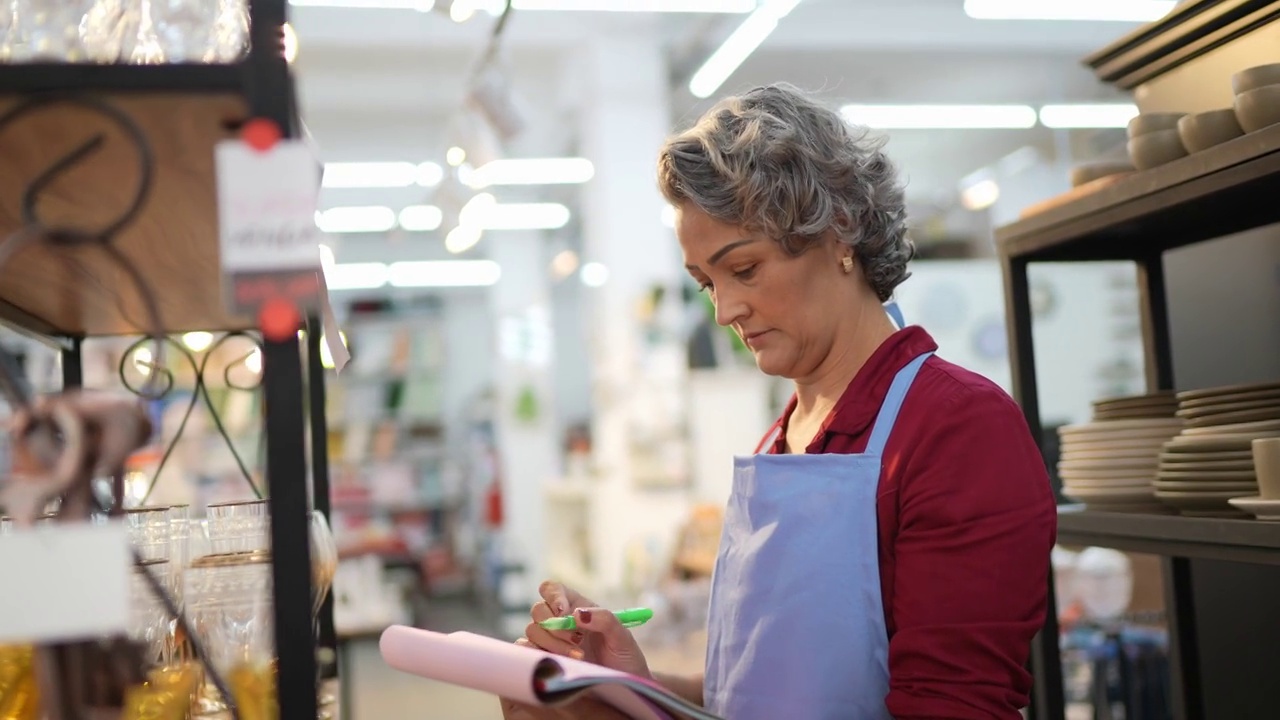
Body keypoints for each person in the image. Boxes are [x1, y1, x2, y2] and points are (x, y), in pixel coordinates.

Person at [502, 83, 1057, 720]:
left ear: (840, 230)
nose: (724, 310)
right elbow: (757, 694)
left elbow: (954, 705)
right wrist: (626, 683)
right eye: (706, 282)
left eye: (744, 269)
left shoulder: (956, 427)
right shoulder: (781, 440)